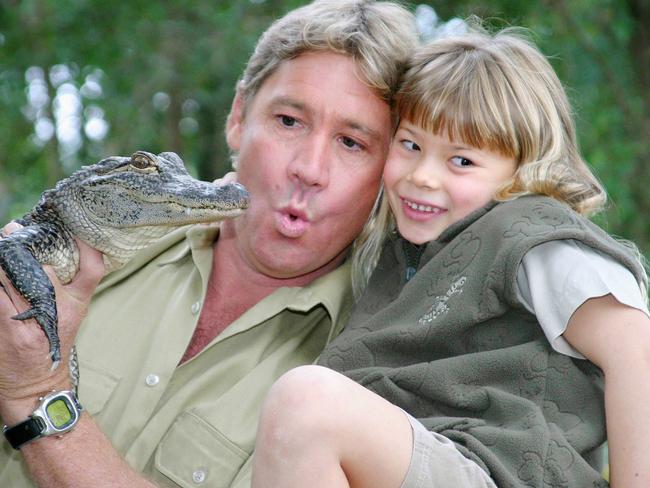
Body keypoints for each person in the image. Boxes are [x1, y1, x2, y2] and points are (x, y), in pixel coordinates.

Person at [0, 1, 418, 486]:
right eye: (289, 121)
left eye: (352, 142)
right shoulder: (92, 239)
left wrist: (38, 393)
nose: (309, 168)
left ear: (389, 172)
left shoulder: (368, 373)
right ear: (239, 116)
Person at [250, 27, 650, 488]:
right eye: (411, 145)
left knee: (305, 404)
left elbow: (634, 350)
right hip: (425, 458)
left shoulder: (532, 237)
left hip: (502, 471)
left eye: (461, 161)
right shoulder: (399, 250)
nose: (422, 176)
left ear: (522, 171)